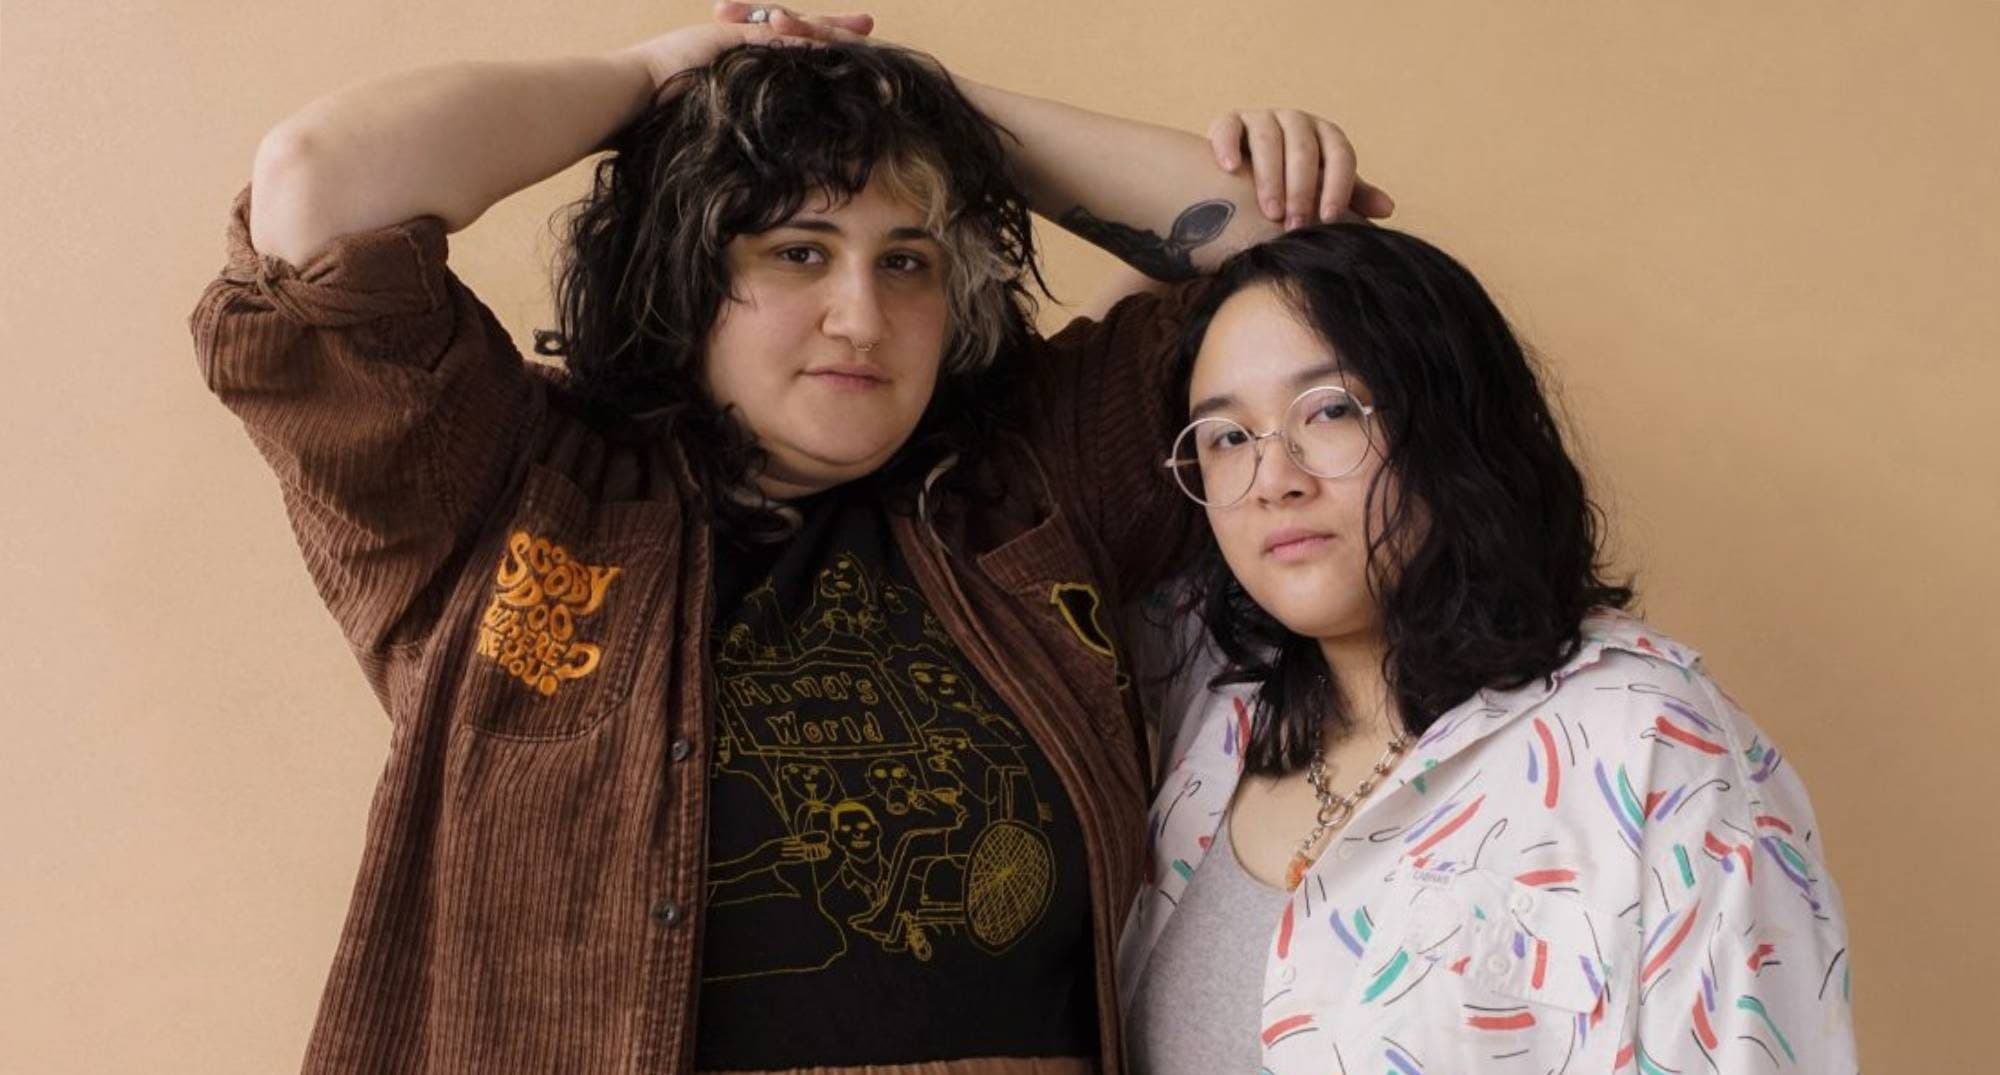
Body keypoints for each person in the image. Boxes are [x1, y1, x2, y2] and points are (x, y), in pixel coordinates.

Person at [187, 4, 1389, 1072]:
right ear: (682, 277)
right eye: (797, 251)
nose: (860, 316)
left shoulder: (1028, 489)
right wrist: (652, 74)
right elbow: (317, 186)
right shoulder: (506, 489)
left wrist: (913, 97)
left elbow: (1299, 264)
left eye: (906, 261)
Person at [1118, 226, 1858, 1074]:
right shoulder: (1211, 693)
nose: (1273, 478)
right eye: (1226, 436)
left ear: (1451, 419)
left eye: (1329, 409)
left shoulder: (1655, 745)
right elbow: (1005, 412)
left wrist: (1283, 205)